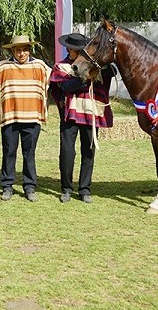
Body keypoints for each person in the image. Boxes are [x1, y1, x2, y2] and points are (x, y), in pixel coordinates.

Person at [50, 33, 116, 204]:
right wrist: (85, 77)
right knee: (67, 152)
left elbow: (112, 71)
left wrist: (101, 67)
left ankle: (85, 189)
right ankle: (66, 189)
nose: (80, 54)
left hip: (91, 113)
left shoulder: (94, 65)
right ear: (68, 50)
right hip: (70, 115)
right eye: (76, 51)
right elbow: (65, 87)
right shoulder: (61, 67)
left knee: (88, 151)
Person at [0, 35, 51, 202]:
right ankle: (7, 186)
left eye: (25, 49)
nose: (21, 53)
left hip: (32, 117)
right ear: (12, 50)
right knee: (9, 152)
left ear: (29, 50)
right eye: (18, 50)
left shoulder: (40, 67)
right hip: (10, 117)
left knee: (29, 154)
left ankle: (30, 187)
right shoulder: (2, 68)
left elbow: (53, 81)